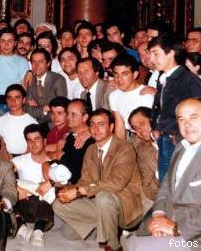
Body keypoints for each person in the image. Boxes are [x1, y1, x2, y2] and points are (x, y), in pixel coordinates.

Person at [125, 98, 201, 251]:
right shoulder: (182, 146)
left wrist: (176, 228)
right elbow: (166, 185)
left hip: (200, 236)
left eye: (193, 117)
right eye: (181, 119)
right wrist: (159, 214)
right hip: (169, 219)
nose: (187, 125)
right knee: (131, 242)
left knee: (139, 247)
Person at [53, 109, 143, 251]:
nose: (96, 129)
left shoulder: (125, 148)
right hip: (100, 202)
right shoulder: (90, 150)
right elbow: (85, 179)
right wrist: (71, 190)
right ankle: (104, 225)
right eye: (92, 124)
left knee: (103, 197)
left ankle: (111, 245)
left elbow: (116, 182)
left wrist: (79, 191)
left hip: (126, 206)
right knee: (59, 204)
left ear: (111, 127)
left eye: (101, 124)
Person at [148, 34, 201, 180]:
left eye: (156, 54)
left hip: (180, 141)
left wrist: (178, 135)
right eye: (150, 54)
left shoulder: (187, 79)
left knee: (177, 185)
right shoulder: (164, 78)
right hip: (165, 139)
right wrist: (156, 128)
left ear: (171, 53)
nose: (151, 59)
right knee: (166, 184)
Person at [12, 124, 55, 248]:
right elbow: (2, 173)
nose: (33, 144)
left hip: (44, 207)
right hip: (23, 204)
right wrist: (16, 187)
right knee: (3, 194)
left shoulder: (52, 161)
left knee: (49, 191)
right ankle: (22, 230)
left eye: (37, 139)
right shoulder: (20, 160)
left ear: (44, 141)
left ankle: (38, 230)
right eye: (29, 140)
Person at [0, 28, 29, 115]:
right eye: (3, 41)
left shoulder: (22, 61)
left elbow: (25, 86)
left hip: (16, 103)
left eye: (10, 41)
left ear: (15, 43)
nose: (6, 44)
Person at [108, 54, 154, 139]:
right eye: (116, 74)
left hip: (150, 136)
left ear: (135, 74)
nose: (119, 79)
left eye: (124, 74)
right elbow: (120, 126)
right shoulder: (114, 96)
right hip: (132, 137)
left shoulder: (147, 94)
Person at [51, 99, 95, 184]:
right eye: (68, 113)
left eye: (73, 114)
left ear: (85, 117)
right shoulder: (71, 137)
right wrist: (48, 164)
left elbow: (79, 173)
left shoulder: (91, 140)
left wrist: (61, 156)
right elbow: (62, 159)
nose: (68, 117)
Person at [24, 48, 68, 125]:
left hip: (56, 124)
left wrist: (38, 109)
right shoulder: (31, 80)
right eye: (33, 62)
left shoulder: (57, 80)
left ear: (48, 63)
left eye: (40, 61)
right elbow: (28, 109)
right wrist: (44, 108)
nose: (36, 65)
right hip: (37, 123)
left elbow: (61, 108)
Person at [0, 85, 38, 156]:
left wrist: (20, 160)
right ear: (6, 100)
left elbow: (34, 146)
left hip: (26, 159)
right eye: (9, 98)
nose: (13, 101)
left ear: (24, 100)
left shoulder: (32, 122)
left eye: (17, 97)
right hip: (4, 159)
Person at [127, 107, 158, 205]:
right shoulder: (143, 151)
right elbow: (149, 190)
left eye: (142, 124)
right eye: (135, 128)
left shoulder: (175, 136)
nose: (139, 130)